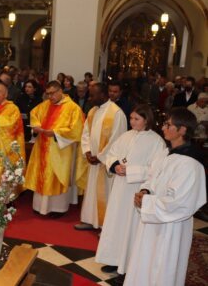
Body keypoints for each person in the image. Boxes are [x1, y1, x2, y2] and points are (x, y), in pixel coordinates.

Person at [124, 108, 206, 286]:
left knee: (162, 267)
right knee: (145, 260)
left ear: (182, 130)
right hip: (152, 218)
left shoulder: (190, 163)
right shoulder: (165, 153)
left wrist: (148, 202)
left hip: (171, 226)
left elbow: (181, 203)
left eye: (168, 125)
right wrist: (145, 191)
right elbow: (152, 177)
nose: (163, 128)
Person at [95, 104, 166, 279]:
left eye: (136, 119)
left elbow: (156, 169)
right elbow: (112, 153)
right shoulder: (126, 136)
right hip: (120, 188)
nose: (132, 121)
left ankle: (128, 265)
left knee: (130, 227)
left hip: (137, 189)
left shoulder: (157, 141)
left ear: (147, 120)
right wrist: (115, 165)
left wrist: (131, 170)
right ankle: (114, 258)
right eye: (131, 118)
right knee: (116, 224)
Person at [24, 81, 85, 216]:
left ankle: (58, 208)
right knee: (42, 175)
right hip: (43, 147)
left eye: (52, 93)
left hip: (60, 151)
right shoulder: (45, 105)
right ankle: (40, 206)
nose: (50, 97)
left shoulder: (73, 108)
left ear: (60, 91)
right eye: (48, 93)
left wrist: (56, 132)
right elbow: (34, 114)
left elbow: (77, 130)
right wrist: (36, 126)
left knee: (56, 177)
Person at [75, 82, 127, 230]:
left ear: (103, 95)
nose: (90, 98)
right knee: (91, 191)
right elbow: (85, 133)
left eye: (92, 95)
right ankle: (89, 220)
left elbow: (117, 139)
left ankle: (105, 226)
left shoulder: (116, 113)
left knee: (106, 193)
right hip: (93, 160)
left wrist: (101, 157)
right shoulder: (93, 111)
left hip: (106, 163)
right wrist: (87, 152)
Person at [0, 81, 25, 186]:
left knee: (4, 173)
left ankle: (5, 199)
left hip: (5, 148)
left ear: (6, 94)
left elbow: (12, 126)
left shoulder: (13, 108)